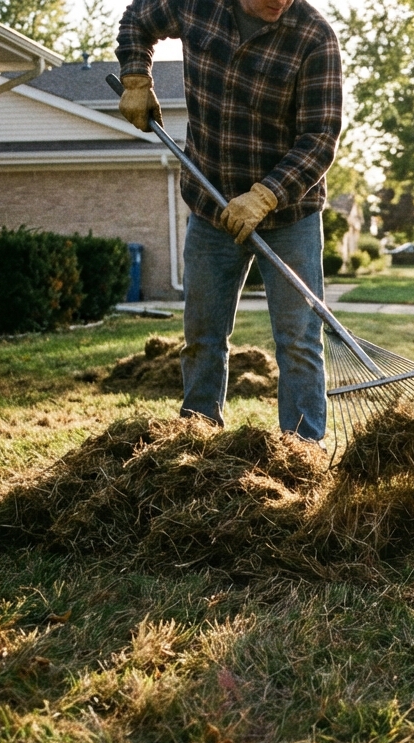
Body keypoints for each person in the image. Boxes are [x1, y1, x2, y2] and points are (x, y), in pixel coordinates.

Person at [115, 0, 342, 443]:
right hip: (212, 205)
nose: (281, 2)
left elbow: (320, 136)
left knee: (298, 343)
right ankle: (197, 442)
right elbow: (137, 19)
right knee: (203, 335)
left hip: (288, 212)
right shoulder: (197, 5)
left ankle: (302, 453)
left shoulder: (314, 36)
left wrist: (265, 195)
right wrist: (137, 77)